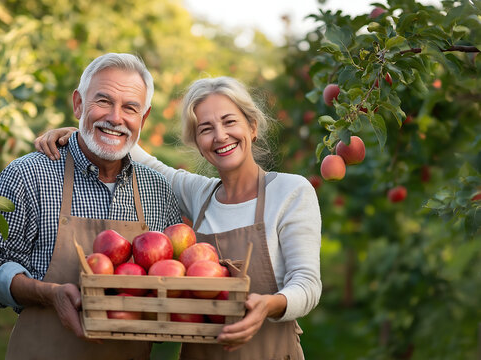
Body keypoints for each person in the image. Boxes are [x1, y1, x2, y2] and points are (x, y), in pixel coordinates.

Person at [35, 76, 322, 359]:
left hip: (267, 352)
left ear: (252, 126)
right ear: (197, 142)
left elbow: (307, 283)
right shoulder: (200, 194)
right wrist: (85, 130)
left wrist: (270, 305)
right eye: (206, 128)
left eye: (230, 122)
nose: (220, 136)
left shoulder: (290, 191)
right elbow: (144, 158)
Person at [0, 53, 182, 360]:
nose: (115, 117)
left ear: (144, 118)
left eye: (130, 108)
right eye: (103, 101)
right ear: (77, 104)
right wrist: (49, 294)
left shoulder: (158, 190)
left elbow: (169, 279)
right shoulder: (28, 175)